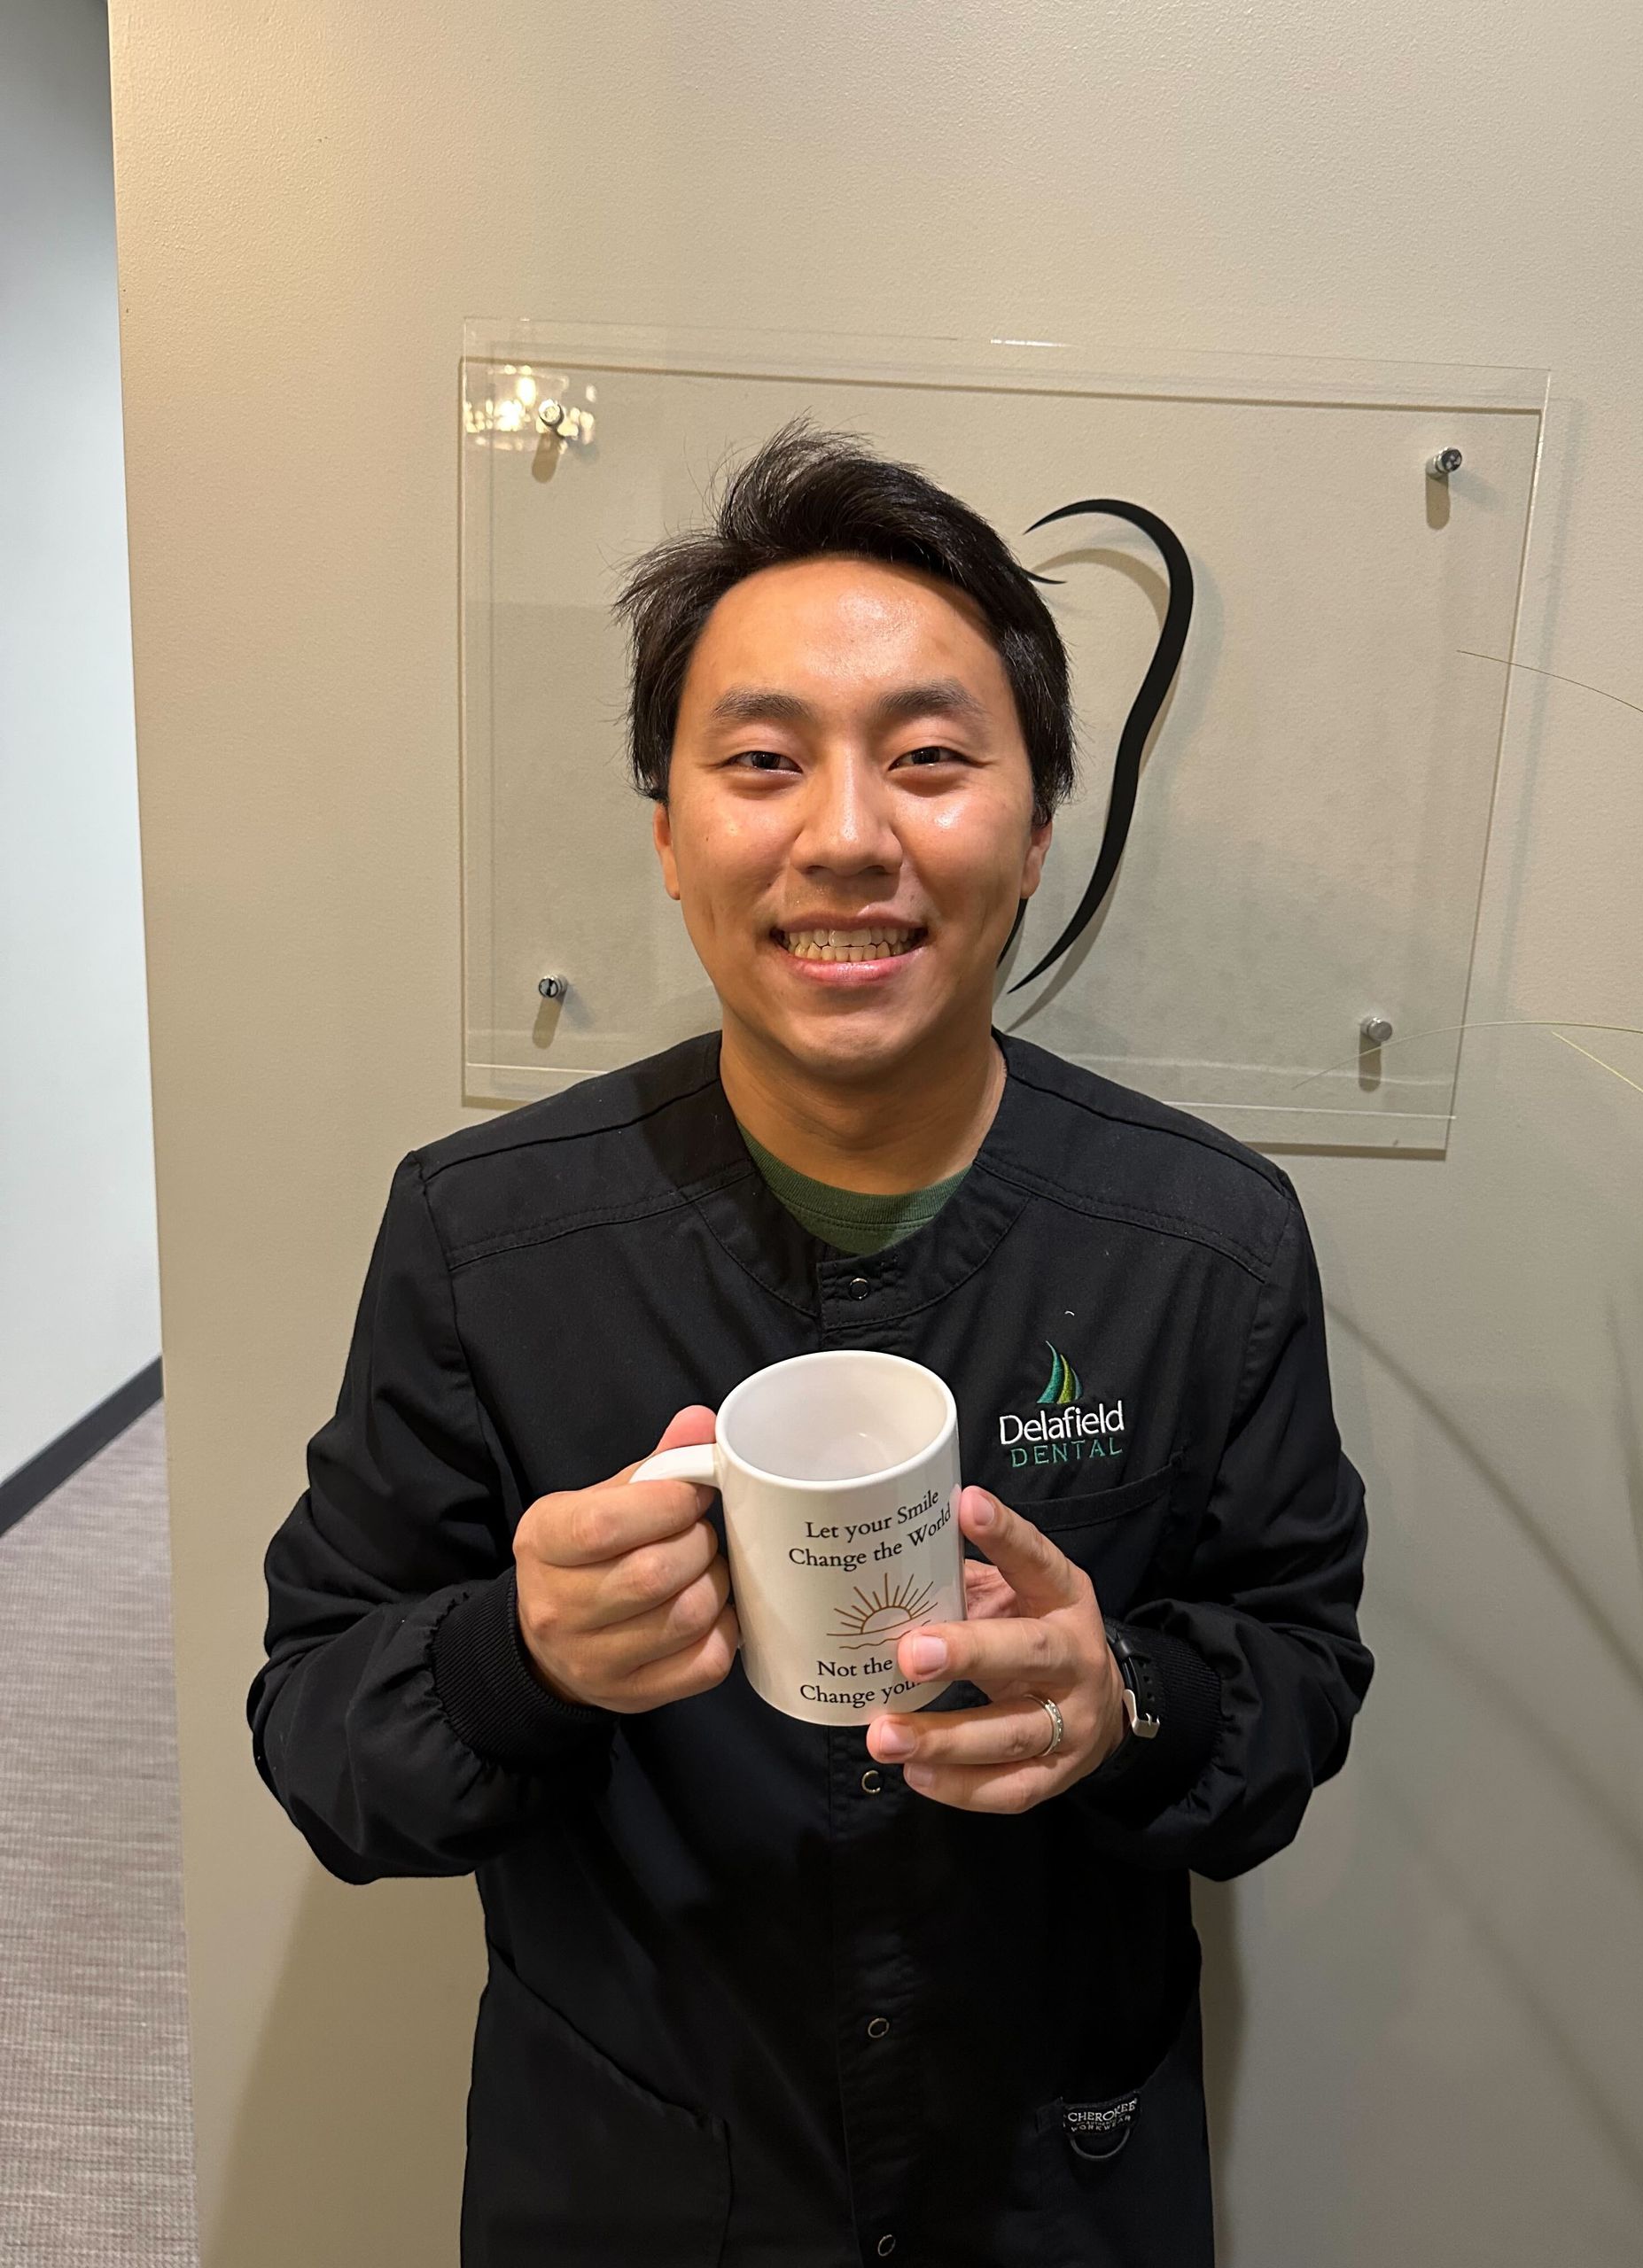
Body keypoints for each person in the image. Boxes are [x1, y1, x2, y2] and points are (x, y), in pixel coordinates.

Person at [246, 416, 1374, 2268]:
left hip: (1054, 2182)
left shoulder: (1207, 1243)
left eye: (932, 760)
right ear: (673, 838)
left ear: (1032, 823)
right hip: (632, 2182)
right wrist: (520, 1654)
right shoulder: (488, 1236)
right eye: (762, 762)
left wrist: (1126, 1703)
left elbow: (1300, 1676)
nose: (847, 836)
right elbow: (319, 1732)